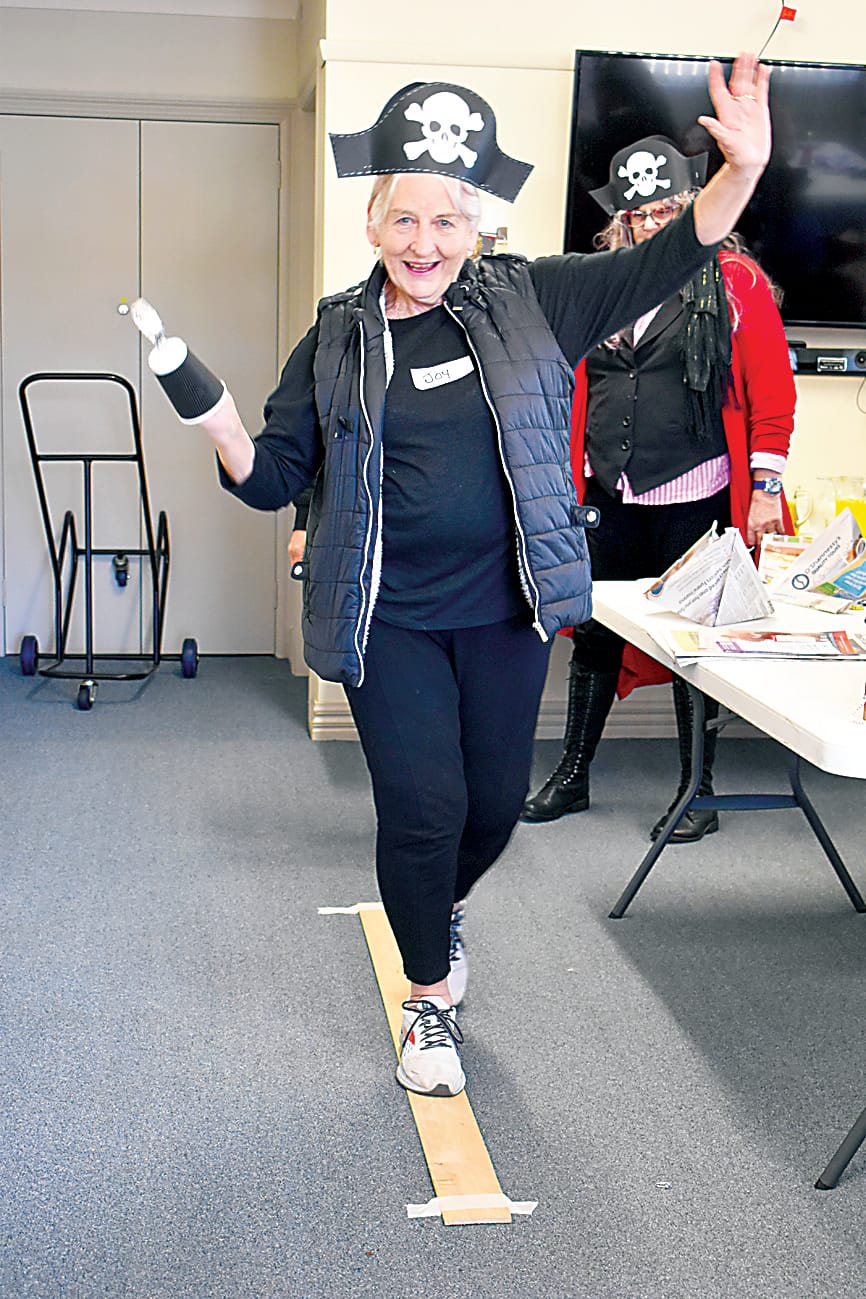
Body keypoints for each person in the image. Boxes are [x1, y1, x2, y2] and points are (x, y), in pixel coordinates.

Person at [139, 56, 773, 1097]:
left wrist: (736, 174)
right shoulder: (336, 337)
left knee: (487, 807)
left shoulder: (535, 299)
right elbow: (274, 478)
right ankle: (426, 1000)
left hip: (506, 611)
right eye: (402, 221)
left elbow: (671, 257)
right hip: (387, 615)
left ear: (475, 224)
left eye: (445, 222)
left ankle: (440, 906)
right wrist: (220, 433)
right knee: (422, 809)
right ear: (372, 226)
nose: (423, 244)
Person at [521, 132, 796, 841]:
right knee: (593, 633)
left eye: (673, 208)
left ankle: (696, 790)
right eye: (644, 215)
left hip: (697, 492)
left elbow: (772, 393)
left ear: (697, 207)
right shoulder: (601, 281)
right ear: (625, 221)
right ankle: (572, 775)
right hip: (610, 492)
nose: (657, 224)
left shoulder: (736, 283)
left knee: (690, 645)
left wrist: (765, 487)